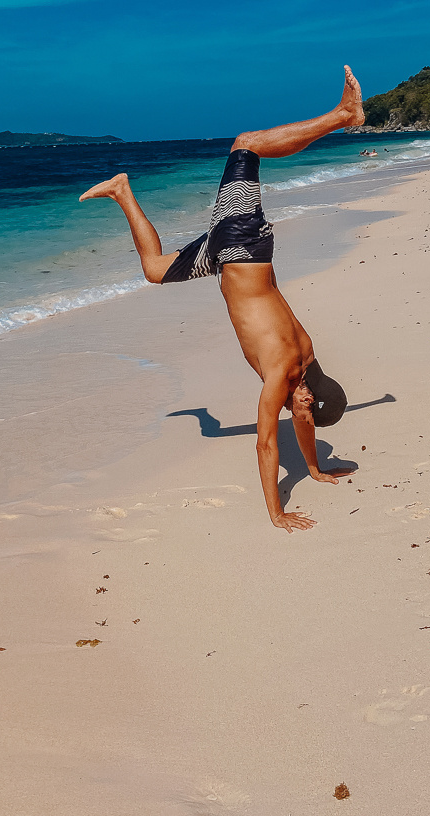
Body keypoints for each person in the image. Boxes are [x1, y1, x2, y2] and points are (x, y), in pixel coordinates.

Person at [78, 68, 363, 532]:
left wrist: (314, 469)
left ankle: (121, 190)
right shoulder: (283, 373)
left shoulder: (304, 364)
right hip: (241, 245)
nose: (299, 413)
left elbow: (303, 419)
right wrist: (277, 512)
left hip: (222, 256)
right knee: (245, 144)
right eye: (305, 408)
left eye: (303, 411)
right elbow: (266, 444)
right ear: (308, 395)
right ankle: (343, 116)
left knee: (154, 270)